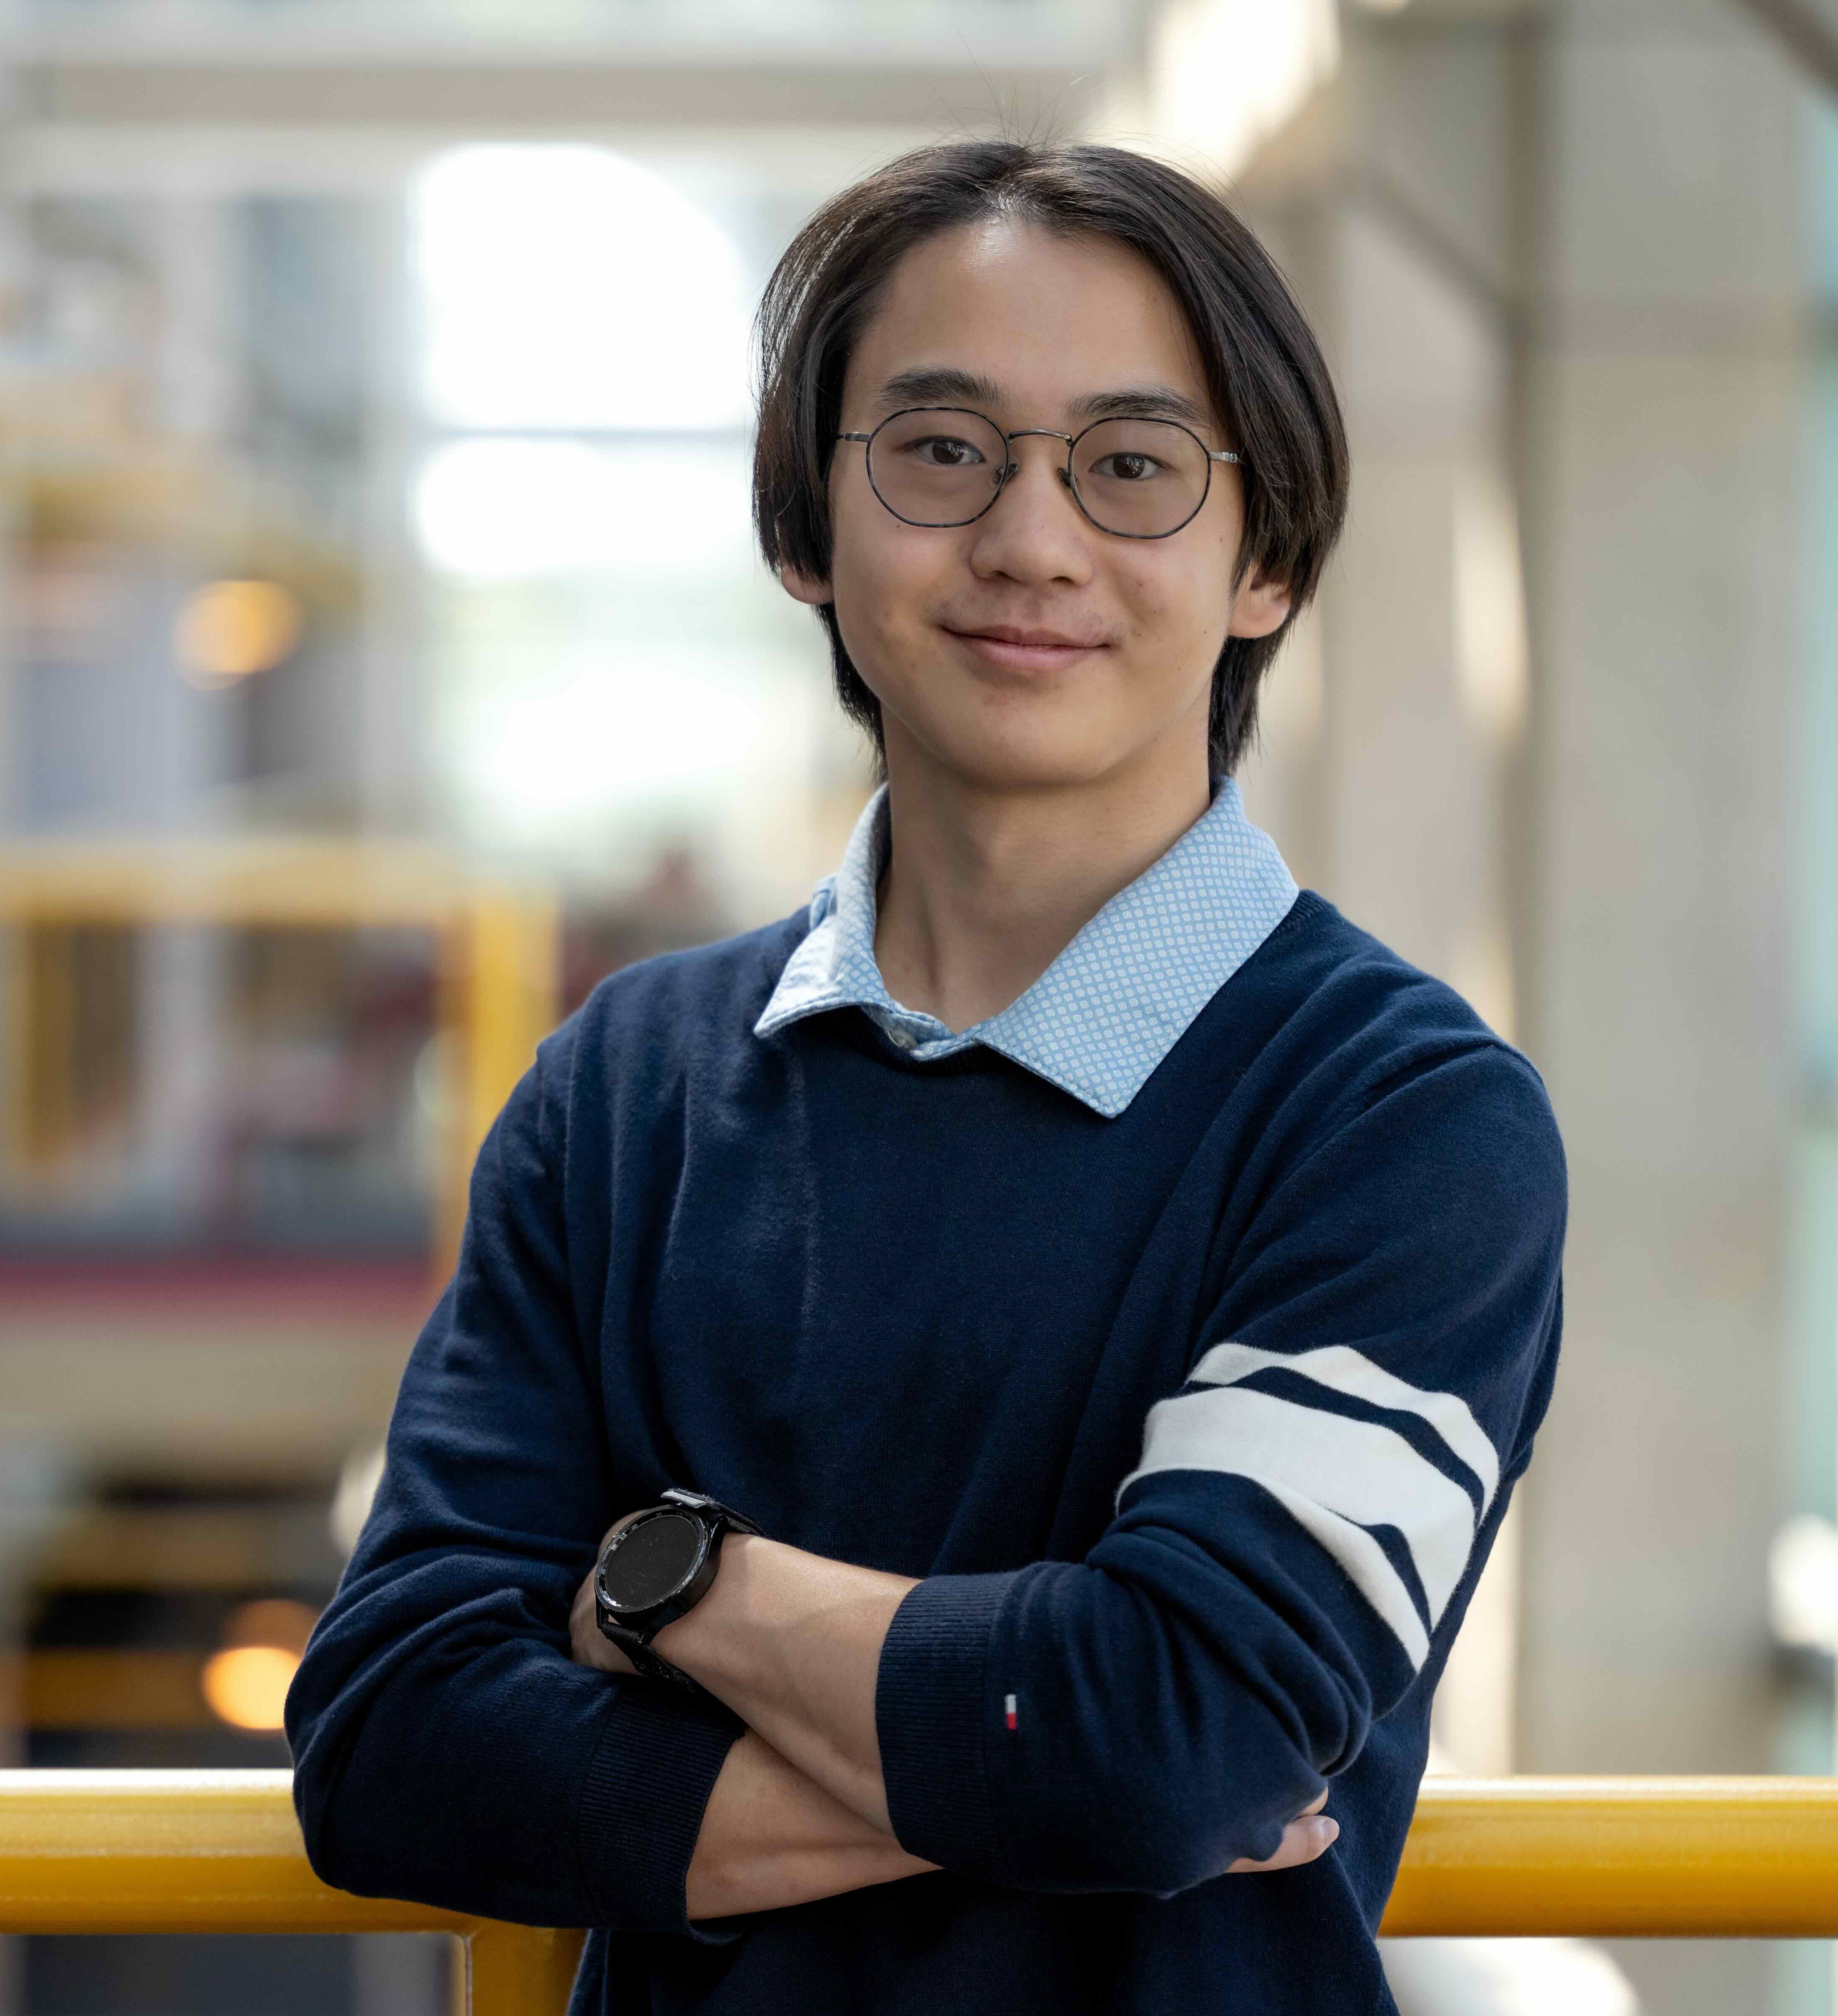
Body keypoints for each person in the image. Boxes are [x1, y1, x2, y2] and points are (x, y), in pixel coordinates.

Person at [286, 136, 1568, 2016]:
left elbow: (1172, 1732)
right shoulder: (626, 1086)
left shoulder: (1401, 1114)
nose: (1031, 540)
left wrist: (654, 1588)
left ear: (1266, 560)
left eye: (1131, 467)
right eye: (943, 451)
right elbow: (391, 1732)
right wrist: (1063, 1754)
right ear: (808, 528)